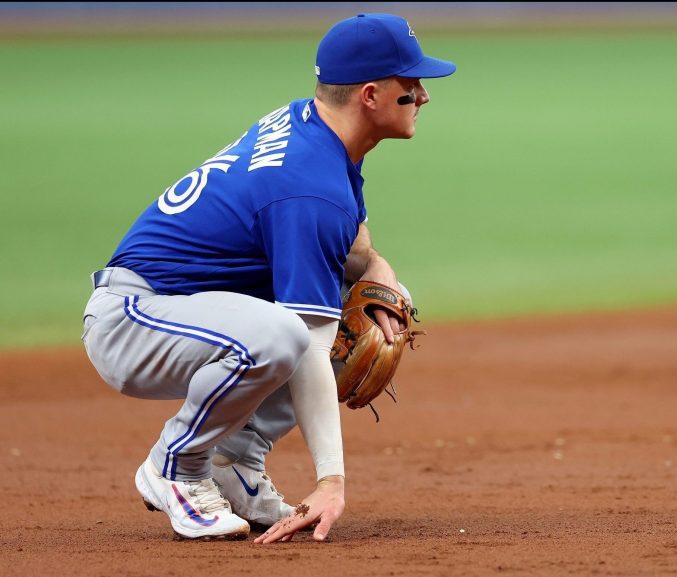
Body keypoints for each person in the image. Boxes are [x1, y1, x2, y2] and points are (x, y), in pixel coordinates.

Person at [81, 13, 455, 544]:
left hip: (186, 311)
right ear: (370, 95)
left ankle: (235, 463)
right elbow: (308, 345)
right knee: (287, 335)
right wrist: (331, 481)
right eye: (411, 85)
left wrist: (380, 270)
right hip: (134, 321)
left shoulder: (312, 123)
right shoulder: (308, 185)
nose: (423, 96)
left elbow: (353, 243)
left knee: (372, 298)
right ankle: (175, 465)